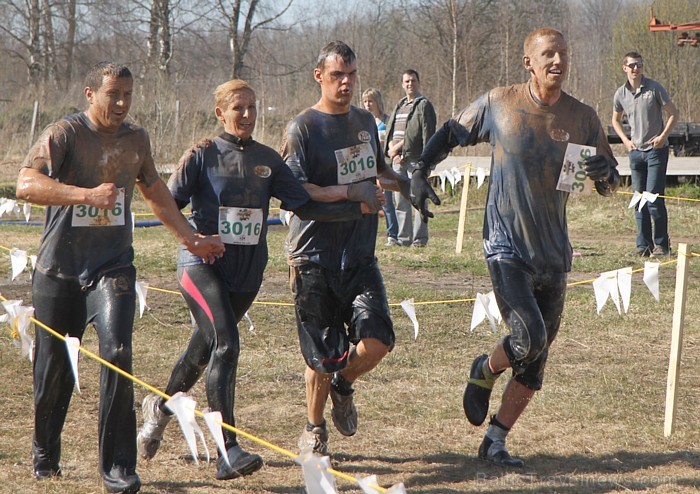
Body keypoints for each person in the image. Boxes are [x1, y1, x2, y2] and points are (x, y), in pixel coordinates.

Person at [136, 79, 376, 480]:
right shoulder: (202, 154)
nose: (246, 115)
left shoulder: (268, 159)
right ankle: (227, 450)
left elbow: (306, 206)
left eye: (252, 107)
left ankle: (158, 409)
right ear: (220, 113)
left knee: (204, 350)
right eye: (238, 108)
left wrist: (358, 202)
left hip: (246, 274)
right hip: (200, 268)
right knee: (227, 345)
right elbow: (164, 203)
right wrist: (192, 240)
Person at [411, 28, 620, 467]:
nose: (557, 61)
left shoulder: (582, 116)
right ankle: (483, 370)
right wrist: (418, 170)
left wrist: (606, 172)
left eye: (562, 53)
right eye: (547, 54)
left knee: (535, 361)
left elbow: (608, 185)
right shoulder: (499, 103)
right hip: (506, 245)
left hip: (553, 252)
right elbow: (450, 132)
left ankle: (495, 441)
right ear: (529, 62)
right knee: (529, 337)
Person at [16, 62, 224, 493]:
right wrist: (85, 195)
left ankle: (118, 468)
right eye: (114, 94)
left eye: (128, 94)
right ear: (91, 93)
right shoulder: (65, 134)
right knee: (53, 372)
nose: (122, 103)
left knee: (118, 353)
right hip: (59, 270)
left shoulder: (136, 139)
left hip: (112, 266)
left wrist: (191, 239)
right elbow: (25, 184)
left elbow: (155, 192)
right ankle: (44, 456)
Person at [282, 41, 414, 456]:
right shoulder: (302, 128)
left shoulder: (362, 120)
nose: (347, 83)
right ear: (319, 76)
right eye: (338, 75)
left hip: (359, 254)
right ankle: (314, 427)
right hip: (313, 257)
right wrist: (349, 192)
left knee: (378, 340)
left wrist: (408, 180)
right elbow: (295, 190)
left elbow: (378, 171)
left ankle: (344, 384)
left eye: (352, 75)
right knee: (321, 355)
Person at [612, 51, 678, 258]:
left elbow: (674, 113)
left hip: (656, 151)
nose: (635, 69)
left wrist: (662, 137)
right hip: (636, 153)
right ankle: (643, 246)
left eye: (638, 65)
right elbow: (615, 120)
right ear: (624, 68)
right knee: (639, 199)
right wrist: (625, 140)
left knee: (653, 199)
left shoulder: (655, 88)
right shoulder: (620, 94)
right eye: (631, 65)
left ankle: (662, 245)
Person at [385, 69, 436, 247]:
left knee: (418, 198)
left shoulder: (424, 105)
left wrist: (426, 162)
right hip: (398, 159)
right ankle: (404, 239)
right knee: (400, 200)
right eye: (406, 81)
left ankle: (420, 240)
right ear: (402, 84)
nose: (410, 84)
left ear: (418, 82)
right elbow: (391, 130)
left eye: (413, 81)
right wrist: (393, 150)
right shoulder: (399, 105)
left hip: (415, 159)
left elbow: (424, 134)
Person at [362, 87, 398, 246]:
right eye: (365, 102)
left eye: (370, 101)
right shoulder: (364, 122)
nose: (367, 105)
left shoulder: (387, 121)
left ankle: (393, 234)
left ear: (377, 102)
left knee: (387, 202)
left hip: (384, 166)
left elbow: (392, 142)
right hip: (368, 168)